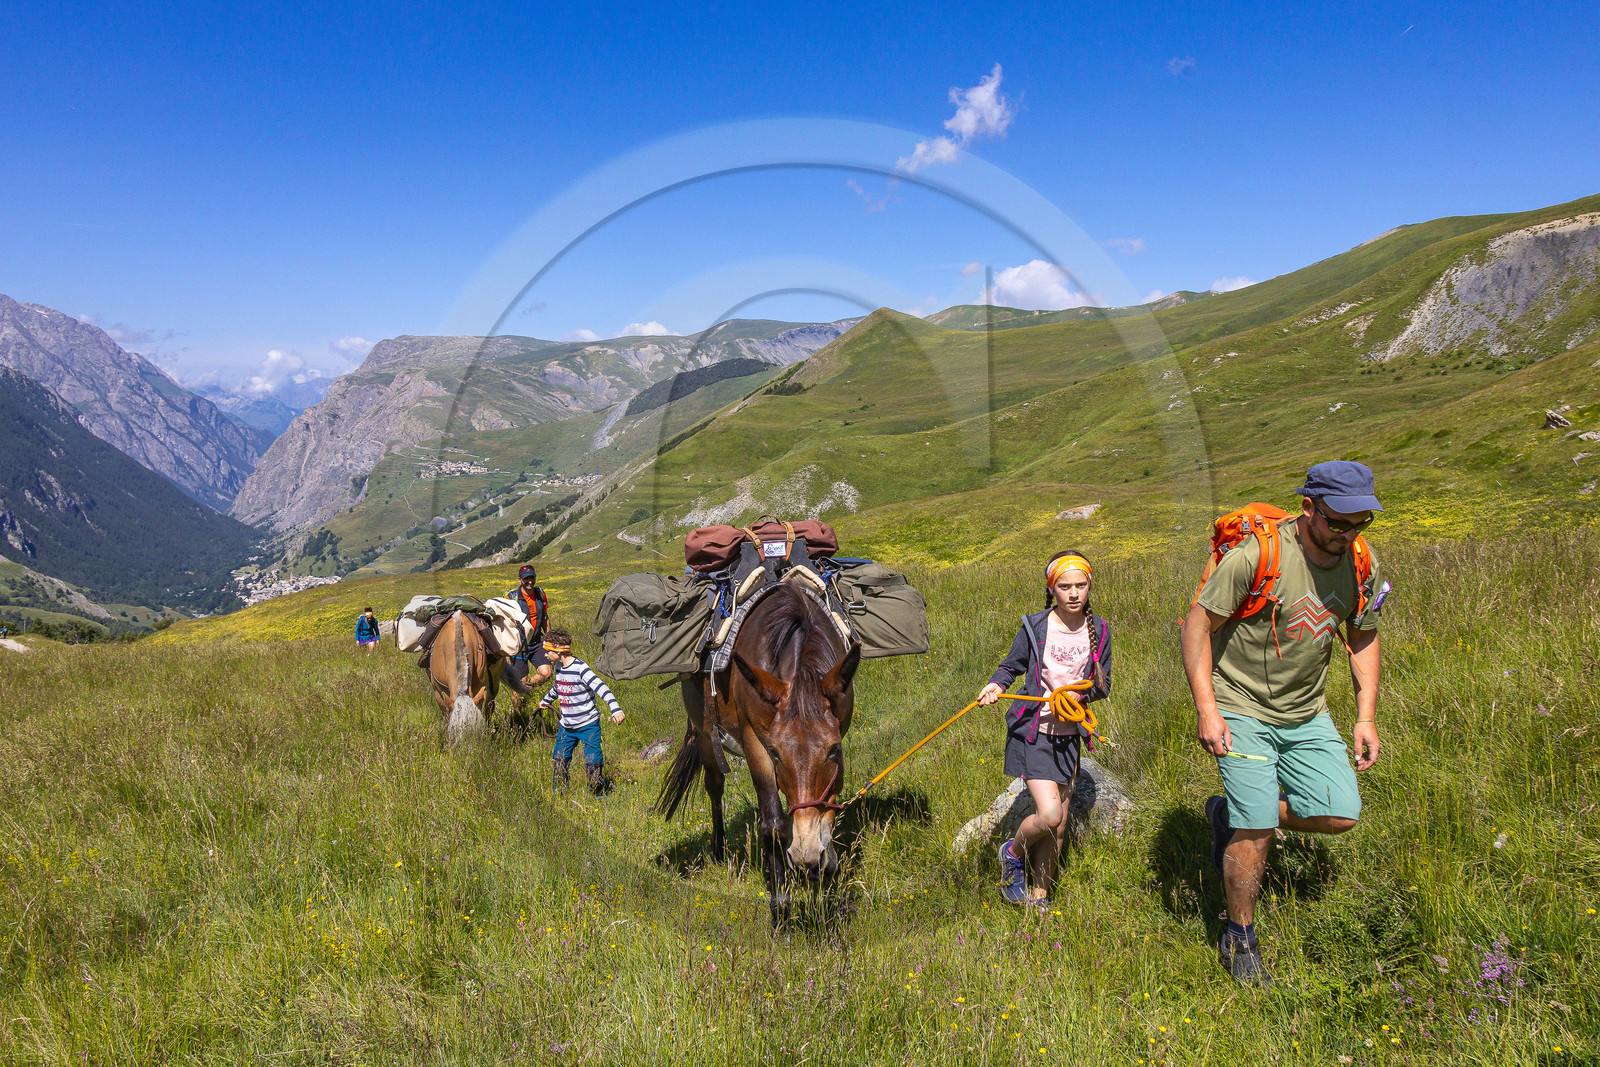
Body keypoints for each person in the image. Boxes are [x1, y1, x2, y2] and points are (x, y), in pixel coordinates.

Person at [1181, 460, 1386, 986]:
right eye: (1337, 522)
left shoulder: (1360, 563)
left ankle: (1228, 815)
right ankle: (1239, 936)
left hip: (1307, 711)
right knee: (1257, 827)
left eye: (1359, 523)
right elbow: (1198, 627)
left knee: (1341, 814)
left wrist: (1365, 715)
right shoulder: (1258, 556)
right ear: (1308, 507)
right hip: (1239, 702)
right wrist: (1207, 708)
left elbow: (1362, 634)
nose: (1348, 534)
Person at [977, 549, 1112, 908]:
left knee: (1060, 825)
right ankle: (1012, 853)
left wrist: (1077, 697)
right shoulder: (1035, 626)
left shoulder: (1100, 630)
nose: (1073, 593)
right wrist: (995, 685)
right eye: (1065, 587)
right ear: (1052, 589)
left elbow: (1103, 685)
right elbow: (1010, 666)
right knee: (1050, 815)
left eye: (1080, 585)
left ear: (1089, 586)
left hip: (1070, 738)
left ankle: (1040, 897)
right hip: (1034, 734)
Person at [537, 628, 625, 794]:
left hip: (588, 725)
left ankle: (598, 790)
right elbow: (558, 687)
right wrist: (546, 701)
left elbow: (601, 688)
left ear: (558, 650)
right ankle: (560, 790)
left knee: (593, 760)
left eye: (548, 652)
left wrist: (615, 709)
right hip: (566, 726)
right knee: (560, 759)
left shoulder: (581, 669)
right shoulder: (558, 667)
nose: (545, 655)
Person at [502, 564, 553, 705]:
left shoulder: (540, 594)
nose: (530, 582)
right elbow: (504, 624)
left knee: (546, 673)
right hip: (519, 645)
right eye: (526, 579)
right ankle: (517, 711)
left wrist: (549, 640)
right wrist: (505, 651)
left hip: (537, 642)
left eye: (532, 578)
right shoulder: (511, 597)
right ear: (520, 579)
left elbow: (545, 618)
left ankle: (528, 689)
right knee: (520, 682)